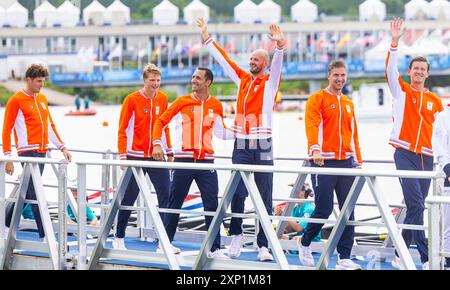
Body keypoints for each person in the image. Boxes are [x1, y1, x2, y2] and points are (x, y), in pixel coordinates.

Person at [197, 18, 285, 262]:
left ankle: (263, 245)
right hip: (242, 143)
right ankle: (235, 235)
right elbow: (224, 61)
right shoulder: (243, 80)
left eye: (256, 60)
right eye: (251, 60)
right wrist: (207, 37)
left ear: (264, 64)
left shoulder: (270, 83)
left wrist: (280, 46)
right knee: (237, 193)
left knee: (265, 195)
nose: (251, 62)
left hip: (264, 143)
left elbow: (278, 65)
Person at [152, 67, 234, 260]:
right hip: (184, 160)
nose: (194, 80)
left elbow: (221, 133)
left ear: (208, 82)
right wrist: (157, 144)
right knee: (175, 203)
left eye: (198, 78)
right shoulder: (182, 101)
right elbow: (160, 122)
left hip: (206, 162)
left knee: (212, 205)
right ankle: (164, 245)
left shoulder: (216, 105)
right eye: (193, 77)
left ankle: (214, 249)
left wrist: (243, 132)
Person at [387, 18, 444, 270]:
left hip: (427, 157)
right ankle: (425, 256)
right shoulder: (401, 91)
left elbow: (444, 132)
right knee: (417, 204)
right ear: (410, 72)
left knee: (415, 207)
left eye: (423, 69)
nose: (419, 72)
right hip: (405, 153)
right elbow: (390, 70)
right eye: (416, 69)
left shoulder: (435, 101)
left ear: (427, 73)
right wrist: (395, 41)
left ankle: (400, 252)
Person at [299, 60, 363, 270]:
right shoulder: (317, 99)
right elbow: (311, 125)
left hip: (346, 162)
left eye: (343, 75)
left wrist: (359, 161)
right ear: (329, 75)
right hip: (322, 161)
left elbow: (353, 135)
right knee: (324, 208)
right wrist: (315, 149)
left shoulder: (348, 103)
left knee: (348, 210)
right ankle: (305, 241)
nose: (340, 79)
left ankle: (344, 257)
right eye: (336, 75)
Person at [2, 64, 72, 240]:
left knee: (28, 192)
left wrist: (62, 147)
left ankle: (5, 224)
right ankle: (46, 235)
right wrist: (8, 157)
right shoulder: (16, 100)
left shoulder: (42, 99)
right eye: (39, 81)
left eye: (43, 81)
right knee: (36, 192)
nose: (42, 84)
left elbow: (49, 127)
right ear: (29, 80)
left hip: (41, 152)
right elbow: (6, 130)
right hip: (27, 152)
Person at [112, 63, 173, 250]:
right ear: (144, 80)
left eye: (158, 80)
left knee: (166, 197)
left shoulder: (163, 98)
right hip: (135, 156)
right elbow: (122, 129)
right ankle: (119, 236)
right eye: (152, 80)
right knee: (129, 198)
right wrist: (123, 156)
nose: (156, 83)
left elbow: (165, 126)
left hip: (156, 156)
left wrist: (169, 150)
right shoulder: (131, 100)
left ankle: (164, 240)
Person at [21, 185, 99, 226]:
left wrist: (90, 226)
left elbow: (94, 218)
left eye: (75, 191)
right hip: (72, 228)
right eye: (72, 191)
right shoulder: (66, 205)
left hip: (77, 228)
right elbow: (67, 220)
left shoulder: (83, 206)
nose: (73, 194)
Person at [432, 103, 450, 269]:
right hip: (449, 179)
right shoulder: (444, 116)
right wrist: (448, 169)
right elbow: (439, 147)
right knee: (448, 225)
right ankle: (447, 261)